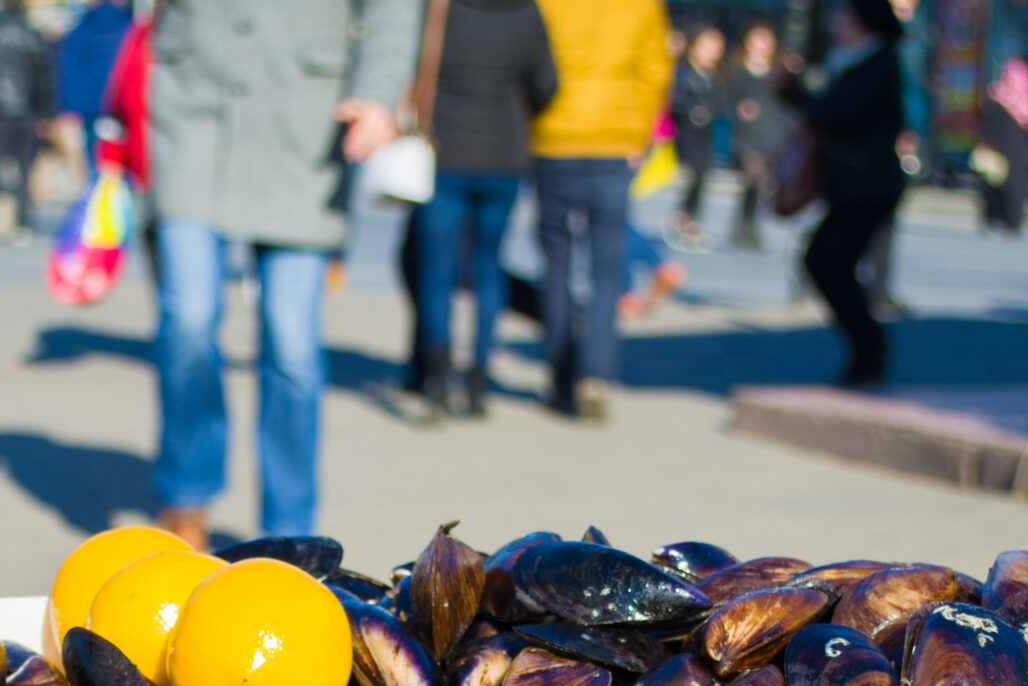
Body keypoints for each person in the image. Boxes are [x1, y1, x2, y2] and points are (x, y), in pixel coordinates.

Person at [144, 0, 422, 547]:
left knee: (291, 339)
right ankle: (187, 490)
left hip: (305, 121)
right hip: (191, 108)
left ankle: (288, 530)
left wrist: (379, 91)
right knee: (188, 318)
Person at [412, 0, 557, 419]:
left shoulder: (441, 7)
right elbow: (547, 83)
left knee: (437, 268)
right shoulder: (528, 12)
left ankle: (436, 376)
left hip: (445, 150)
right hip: (503, 154)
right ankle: (477, 378)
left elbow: (416, 65)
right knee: (488, 267)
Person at [529, 0, 670, 422]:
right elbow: (656, 69)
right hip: (613, 141)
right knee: (607, 268)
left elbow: (532, 60)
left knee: (556, 264)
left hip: (553, 138)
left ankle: (560, 374)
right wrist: (637, 131)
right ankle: (596, 375)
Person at [794, 0, 905, 387]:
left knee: (828, 261)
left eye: (846, 17)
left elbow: (831, 113)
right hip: (854, 184)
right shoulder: (852, 62)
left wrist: (795, 93)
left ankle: (869, 350)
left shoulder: (876, 66)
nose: (839, 24)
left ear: (864, 23)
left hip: (868, 185)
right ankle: (867, 349)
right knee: (825, 261)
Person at [0, 0, 52, 245]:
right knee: (24, 168)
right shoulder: (33, 38)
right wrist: (45, 113)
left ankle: (0, 212)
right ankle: (23, 222)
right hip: (26, 113)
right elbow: (44, 79)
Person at [722, 22, 787, 251]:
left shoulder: (780, 71)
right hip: (747, 135)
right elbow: (726, 99)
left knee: (761, 185)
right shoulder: (738, 70)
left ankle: (749, 224)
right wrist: (739, 108)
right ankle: (745, 225)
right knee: (753, 178)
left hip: (771, 132)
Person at [52, 0, 131, 169]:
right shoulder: (129, 28)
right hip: (121, 108)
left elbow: (70, 71)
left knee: (95, 161)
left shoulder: (81, 30)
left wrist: (67, 107)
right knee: (121, 162)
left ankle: (98, 190)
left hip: (89, 108)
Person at [665, 26, 721, 247]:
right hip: (685, 131)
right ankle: (684, 218)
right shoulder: (684, 73)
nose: (713, 52)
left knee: (703, 176)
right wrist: (691, 111)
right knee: (693, 174)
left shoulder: (716, 76)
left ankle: (688, 218)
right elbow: (674, 101)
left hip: (704, 133)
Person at [975, 56, 1028, 236]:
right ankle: (1013, 220)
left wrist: (986, 141)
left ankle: (997, 217)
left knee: (995, 183)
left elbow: (991, 125)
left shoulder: (1000, 97)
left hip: (999, 149)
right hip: (1017, 153)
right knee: (1014, 185)